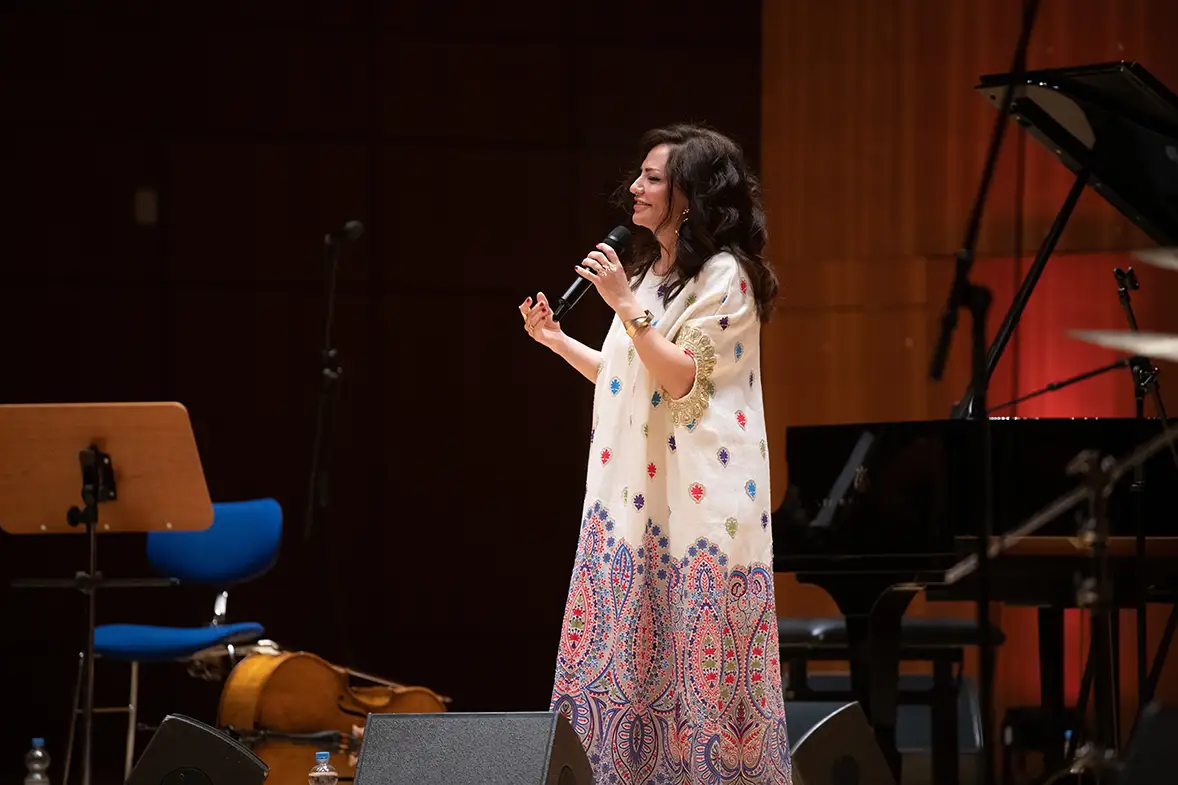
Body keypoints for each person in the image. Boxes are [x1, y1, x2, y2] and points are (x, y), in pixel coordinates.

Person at [519, 123, 792, 785]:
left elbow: (682, 379)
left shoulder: (726, 278)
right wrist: (557, 340)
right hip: (634, 504)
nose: (634, 189)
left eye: (652, 178)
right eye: (638, 176)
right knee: (630, 669)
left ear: (690, 196)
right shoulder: (646, 273)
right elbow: (627, 378)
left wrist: (621, 304)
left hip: (701, 512)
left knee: (698, 682)